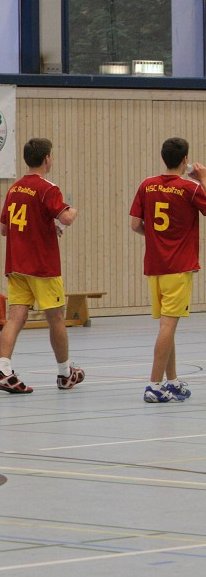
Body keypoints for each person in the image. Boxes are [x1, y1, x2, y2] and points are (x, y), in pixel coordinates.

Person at [0, 138, 84, 394]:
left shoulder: (14, 189)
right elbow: (65, 216)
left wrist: (46, 227)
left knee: (15, 317)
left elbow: (4, 229)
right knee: (56, 317)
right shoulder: (48, 188)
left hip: (16, 263)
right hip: (42, 265)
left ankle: (4, 370)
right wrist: (73, 210)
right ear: (47, 158)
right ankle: (65, 374)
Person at [130, 137, 206, 403]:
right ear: (185, 160)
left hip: (155, 265)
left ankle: (171, 381)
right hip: (178, 266)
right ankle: (153, 384)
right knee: (168, 325)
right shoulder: (190, 188)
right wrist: (203, 177)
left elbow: (135, 224)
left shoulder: (146, 185)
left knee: (167, 324)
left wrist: (154, 238)